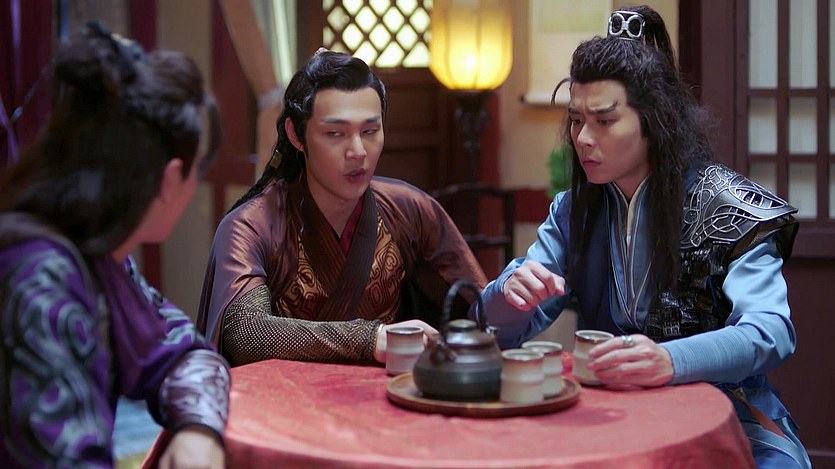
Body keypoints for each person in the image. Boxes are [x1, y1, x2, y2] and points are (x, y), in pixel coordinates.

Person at [476, 6, 810, 468]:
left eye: (604, 121)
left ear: (654, 122)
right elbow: (498, 331)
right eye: (576, 120)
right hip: (611, 410)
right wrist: (509, 294)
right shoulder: (576, 211)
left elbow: (770, 332)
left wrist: (672, 360)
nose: (583, 138)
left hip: (725, 411)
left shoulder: (729, 208)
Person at [0, 23, 230, 468]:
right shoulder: (39, 278)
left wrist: (199, 429)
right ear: (170, 178)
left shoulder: (101, 260)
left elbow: (186, 351)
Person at [197, 49, 487, 366]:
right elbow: (246, 332)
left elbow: (479, 309)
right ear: (296, 134)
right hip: (286, 396)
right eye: (335, 133)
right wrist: (369, 339)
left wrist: (512, 290)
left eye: (370, 131)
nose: (358, 151)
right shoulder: (251, 226)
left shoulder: (409, 209)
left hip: (388, 394)